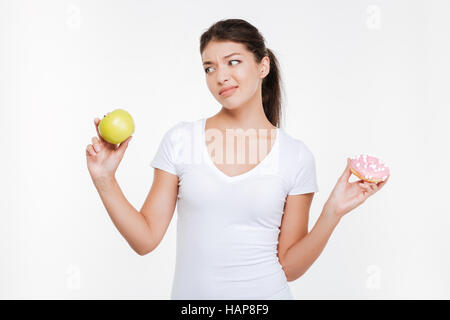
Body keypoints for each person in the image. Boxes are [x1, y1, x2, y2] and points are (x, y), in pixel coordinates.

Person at [85, 19, 389, 300]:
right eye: (209, 68)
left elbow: (290, 267)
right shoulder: (181, 140)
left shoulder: (295, 156)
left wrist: (331, 212)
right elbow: (145, 240)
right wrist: (105, 180)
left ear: (263, 66)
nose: (221, 76)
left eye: (233, 62)